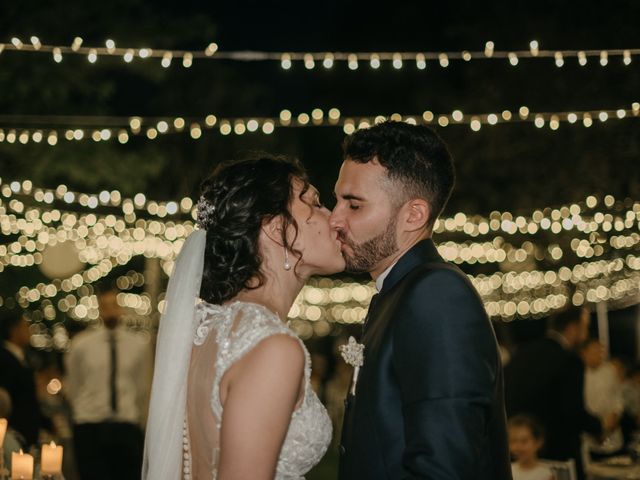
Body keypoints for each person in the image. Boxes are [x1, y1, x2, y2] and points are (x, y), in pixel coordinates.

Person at [142, 154, 345, 479]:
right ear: (277, 229)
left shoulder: (202, 331)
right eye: (315, 203)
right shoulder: (272, 346)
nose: (333, 217)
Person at [331, 121, 511, 479]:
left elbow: (444, 467)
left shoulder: (437, 294)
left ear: (413, 215)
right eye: (337, 201)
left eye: (353, 205)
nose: (335, 219)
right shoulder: (397, 293)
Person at [505, 308, 614, 479]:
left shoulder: (522, 354)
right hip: (560, 458)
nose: (585, 335)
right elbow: (573, 411)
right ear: (572, 328)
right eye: (584, 328)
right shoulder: (569, 361)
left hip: (521, 455)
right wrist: (601, 426)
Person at [64, 287, 152, 480]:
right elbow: (74, 384)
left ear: (122, 308)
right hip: (90, 424)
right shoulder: (81, 345)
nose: (110, 310)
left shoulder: (138, 345)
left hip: (126, 425)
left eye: (114, 305)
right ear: (99, 309)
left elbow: (142, 386)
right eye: (105, 306)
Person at [0, 310, 50, 448]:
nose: (29, 331)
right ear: (14, 330)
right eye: (25, 326)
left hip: (27, 431)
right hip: (15, 432)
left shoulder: (23, 357)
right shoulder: (4, 359)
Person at [580, 338, 624, 455]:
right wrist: (597, 428)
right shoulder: (578, 373)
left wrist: (616, 414)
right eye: (595, 352)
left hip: (612, 432)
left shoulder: (610, 371)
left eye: (601, 352)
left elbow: (618, 396)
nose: (600, 355)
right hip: (589, 436)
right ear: (584, 353)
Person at [508, 415, 554, 480]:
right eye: (513, 441)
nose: (518, 446)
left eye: (524, 441)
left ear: (538, 442)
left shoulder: (548, 473)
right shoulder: (508, 471)